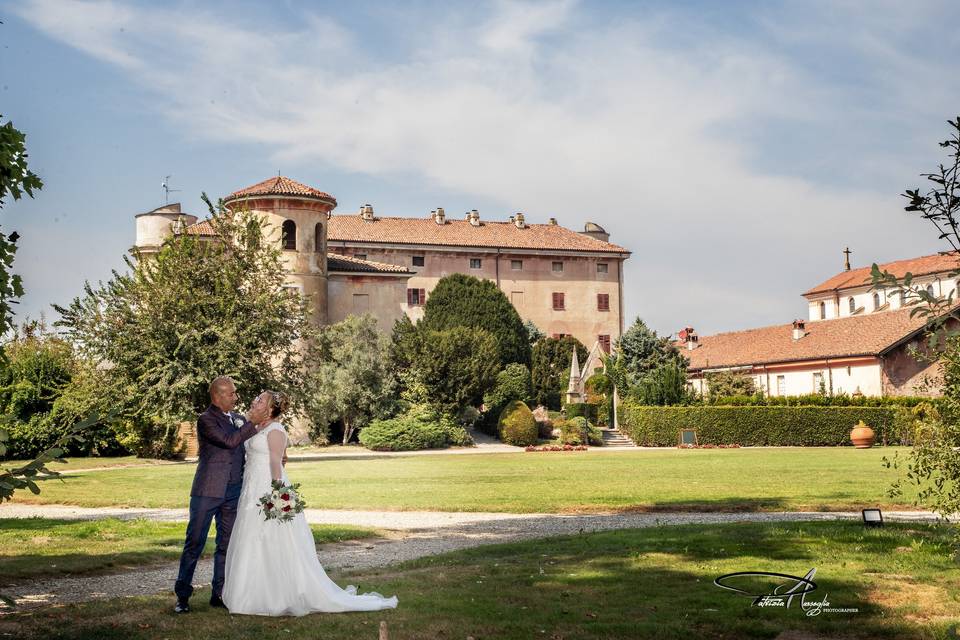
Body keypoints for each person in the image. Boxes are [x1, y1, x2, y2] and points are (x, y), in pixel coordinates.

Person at [222, 391, 398, 616]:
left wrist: (279, 496)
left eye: (260, 400)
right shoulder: (255, 426)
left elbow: (276, 462)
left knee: (273, 538)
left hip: (267, 488)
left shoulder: (276, 430)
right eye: (255, 397)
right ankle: (249, 593)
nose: (255, 400)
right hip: (250, 489)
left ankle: (279, 596)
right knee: (251, 537)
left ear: (270, 408)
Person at [173, 376, 272, 613]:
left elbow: (250, 443)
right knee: (194, 543)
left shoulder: (239, 419)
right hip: (207, 490)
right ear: (217, 397)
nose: (236, 397)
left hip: (234, 491)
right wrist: (252, 422)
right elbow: (229, 441)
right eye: (231, 394)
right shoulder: (206, 420)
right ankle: (182, 597)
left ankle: (219, 593)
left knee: (226, 544)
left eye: (236, 393)